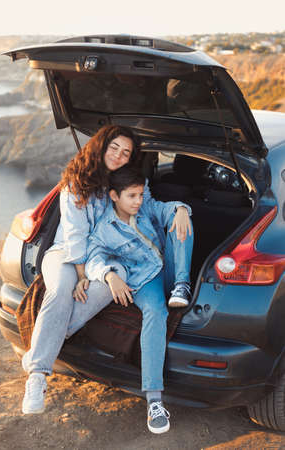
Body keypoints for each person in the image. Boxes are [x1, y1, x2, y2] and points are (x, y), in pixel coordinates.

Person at [21, 125, 192, 416]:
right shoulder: (76, 182)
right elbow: (75, 236)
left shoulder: (125, 183)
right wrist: (80, 275)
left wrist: (180, 208)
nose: (118, 155)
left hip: (107, 258)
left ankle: (44, 343)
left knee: (116, 279)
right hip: (67, 254)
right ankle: (37, 375)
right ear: (101, 146)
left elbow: (148, 207)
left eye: (126, 152)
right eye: (114, 148)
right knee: (61, 290)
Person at [81, 165, 193, 434]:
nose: (138, 202)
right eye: (132, 196)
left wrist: (179, 209)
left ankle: (182, 284)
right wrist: (109, 276)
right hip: (145, 280)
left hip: (169, 267)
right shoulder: (104, 230)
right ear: (114, 196)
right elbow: (93, 259)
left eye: (141, 195)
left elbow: (164, 208)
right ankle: (154, 400)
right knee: (155, 312)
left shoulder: (146, 207)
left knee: (182, 218)